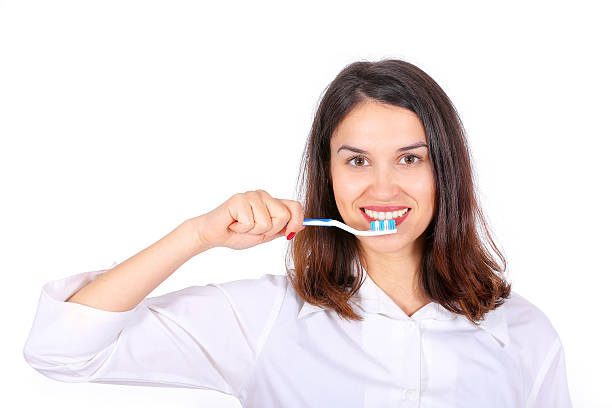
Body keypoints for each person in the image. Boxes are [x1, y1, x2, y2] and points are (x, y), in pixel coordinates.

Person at [23, 59, 572, 407]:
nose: (383, 188)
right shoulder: (265, 319)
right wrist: (198, 235)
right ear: (327, 175)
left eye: (409, 159)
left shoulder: (522, 333)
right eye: (357, 161)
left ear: (446, 172)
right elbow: (60, 349)